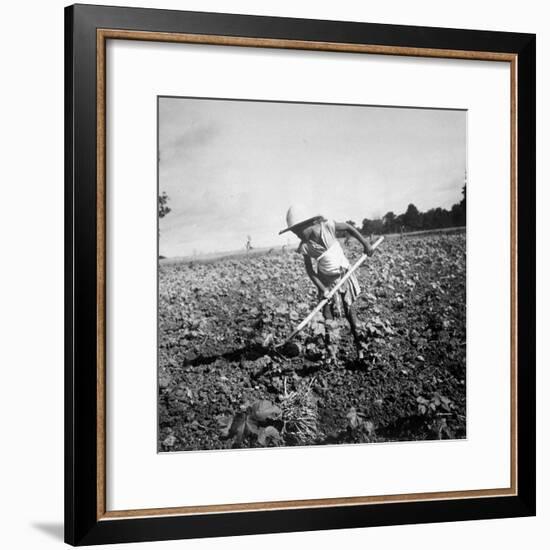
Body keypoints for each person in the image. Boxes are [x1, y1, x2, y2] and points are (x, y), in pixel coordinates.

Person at [279, 205, 374, 361]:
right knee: (328, 317)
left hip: (344, 274)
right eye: (293, 231)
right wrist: (323, 289)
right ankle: (331, 354)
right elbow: (310, 271)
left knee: (351, 313)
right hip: (325, 281)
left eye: (297, 230)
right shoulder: (305, 246)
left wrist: (366, 244)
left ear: (308, 224)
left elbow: (349, 228)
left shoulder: (328, 227)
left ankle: (361, 350)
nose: (296, 234)